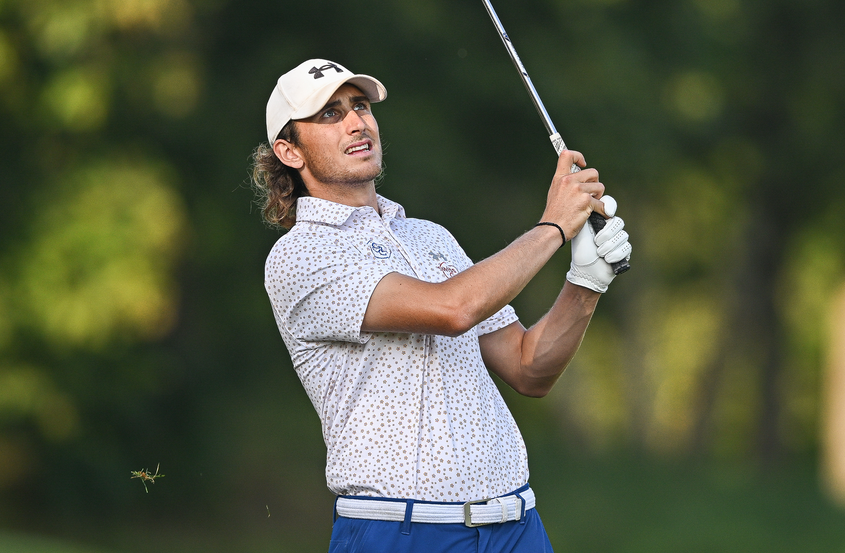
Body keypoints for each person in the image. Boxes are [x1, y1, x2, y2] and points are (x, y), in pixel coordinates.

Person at [253, 59, 631, 552]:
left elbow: (527, 367)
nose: (356, 122)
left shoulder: (431, 238)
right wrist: (554, 226)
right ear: (289, 151)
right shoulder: (300, 254)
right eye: (328, 114)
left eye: (360, 106)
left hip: (516, 525)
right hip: (402, 531)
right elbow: (454, 310)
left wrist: (586, 281)